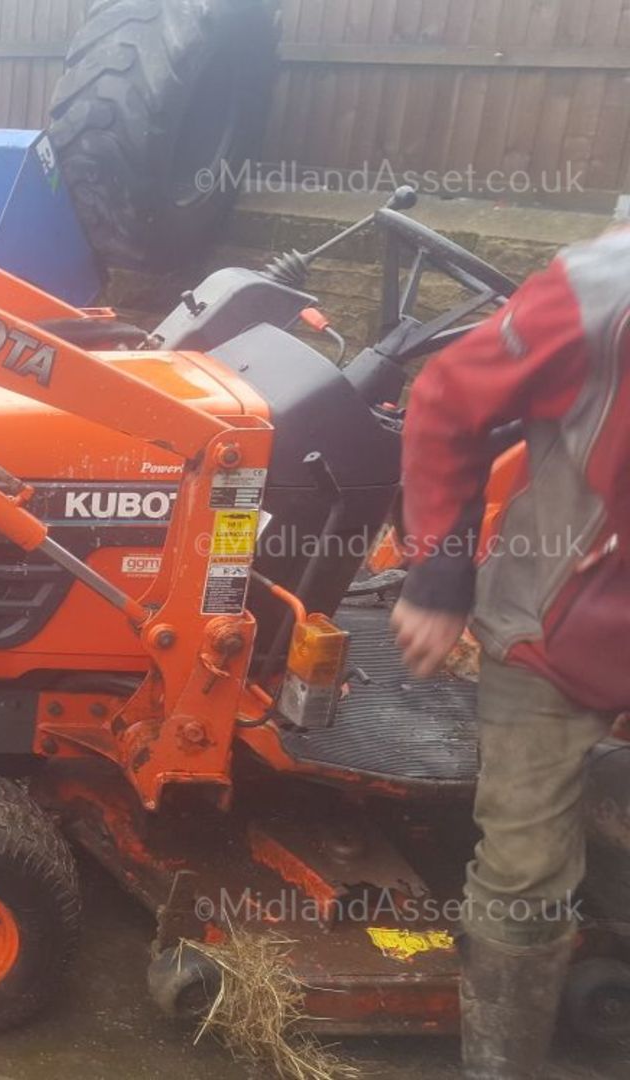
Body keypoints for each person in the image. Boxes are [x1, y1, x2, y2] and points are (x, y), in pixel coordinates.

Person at [393, 227, 630, 1079]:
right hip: (554, 634)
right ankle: (503, 1063)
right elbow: (450, 397)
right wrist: (438, 575)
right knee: (527, 869)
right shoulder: (602, 290)